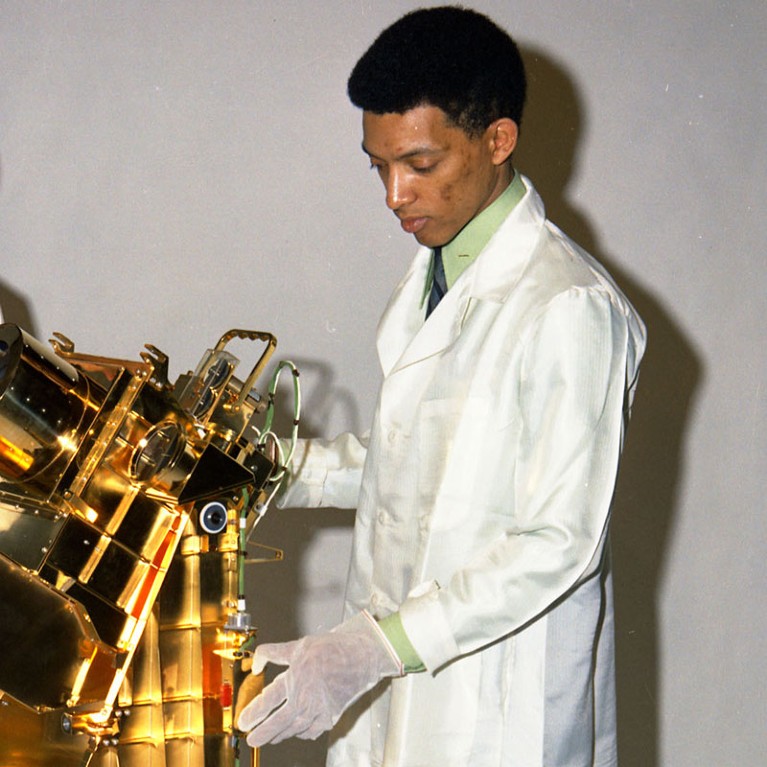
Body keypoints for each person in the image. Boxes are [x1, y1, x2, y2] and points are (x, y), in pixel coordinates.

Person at [237, 6, 646, 766]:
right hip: (404, 679)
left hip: (496, 705)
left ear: (498, 140)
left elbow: (557, 541)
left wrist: (377, 648)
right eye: (379, 166)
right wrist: (259, 466)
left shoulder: (568, 306)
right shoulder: (439, 271)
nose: (395, 194)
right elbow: (420, 461)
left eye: (420, 165)